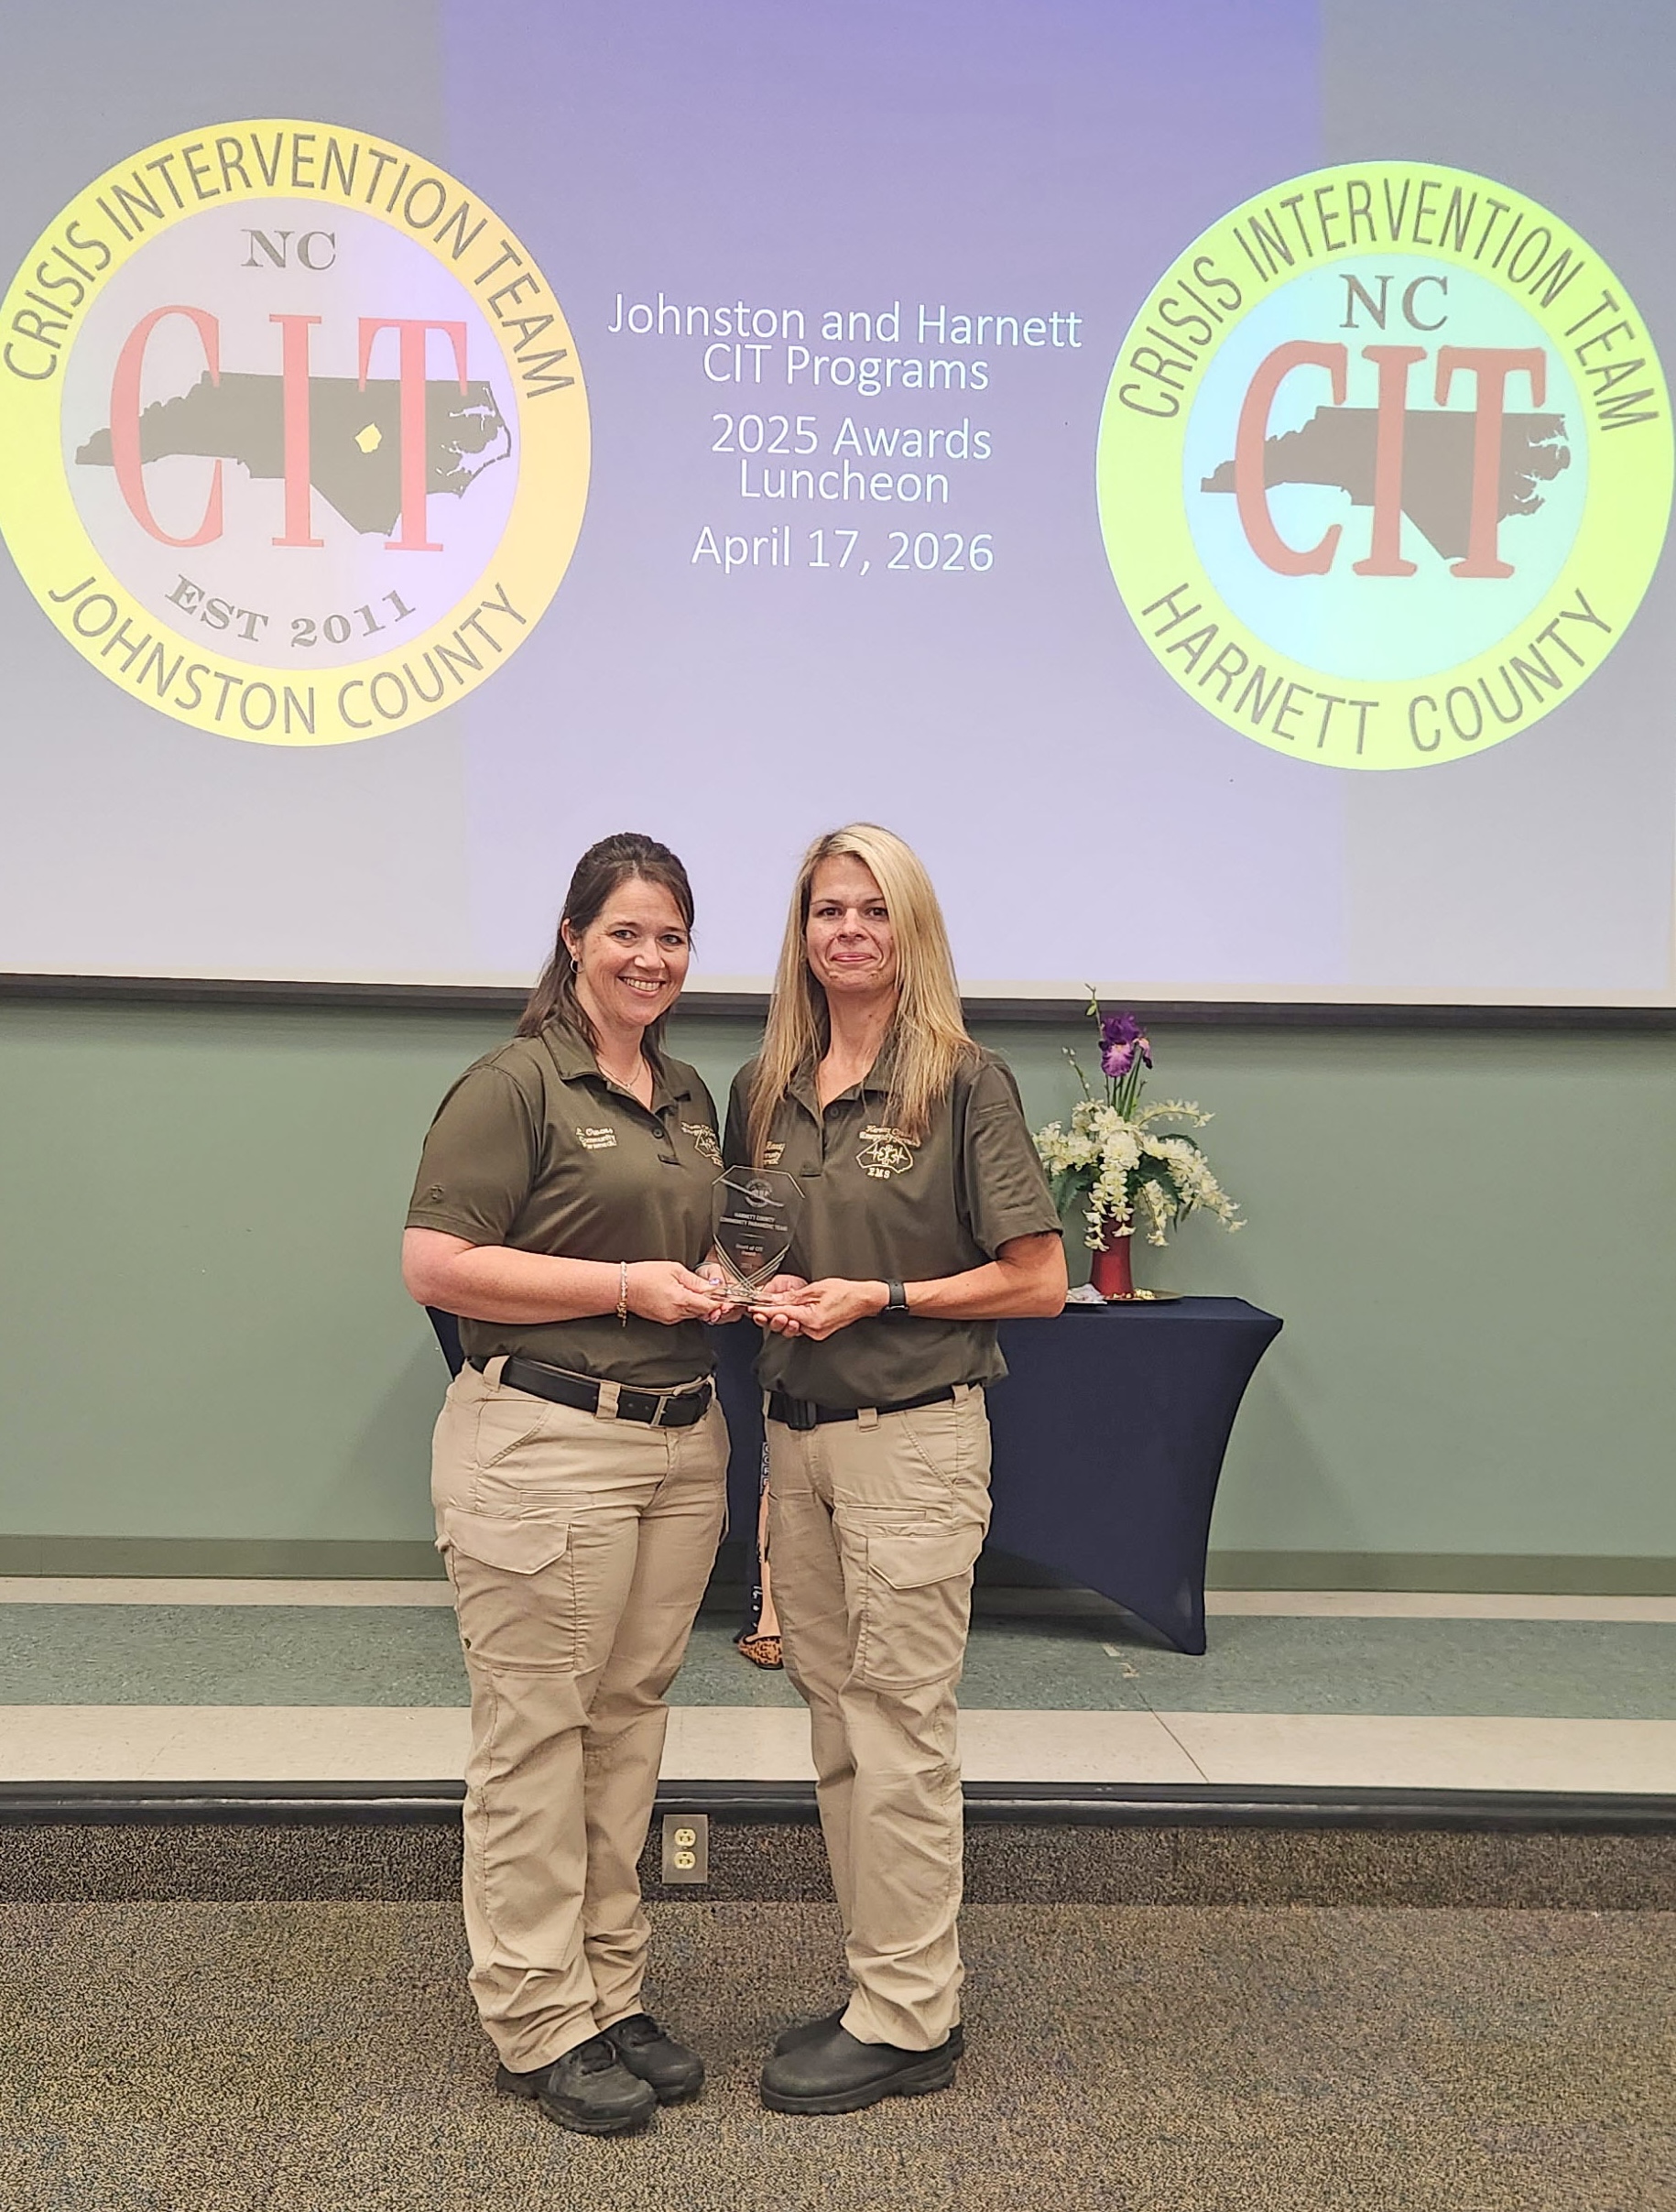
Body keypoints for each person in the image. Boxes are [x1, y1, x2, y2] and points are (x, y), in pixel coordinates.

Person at [724, 823, 1067, 2115]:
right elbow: (757, 1250)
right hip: (797, 1447)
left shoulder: (961, 1080)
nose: (847, 932)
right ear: (800, 933)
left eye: (872, 910)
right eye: (826, 910)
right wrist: (747, 1294)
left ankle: (915, 2017)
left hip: (910, 1444)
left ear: (908, 929)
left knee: (900, 1731)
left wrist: (882, 1296)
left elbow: (1034, 1282)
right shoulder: (770, 1085)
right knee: (835, 1724)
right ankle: (884, 1981)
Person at [401, 832, 732, 2138]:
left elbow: (688, 1243)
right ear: (572, 940)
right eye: (626, 934)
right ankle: (538, 2017)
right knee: (536, 1732)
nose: (650, 958)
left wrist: (732, 1286)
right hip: (544, 1441)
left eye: (671, 937)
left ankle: (608, 1987)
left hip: (678, 1441)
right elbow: (434, 1263)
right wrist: (620, 1287)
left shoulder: (689, 1090)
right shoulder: (512, 1082)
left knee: (627, 1720)